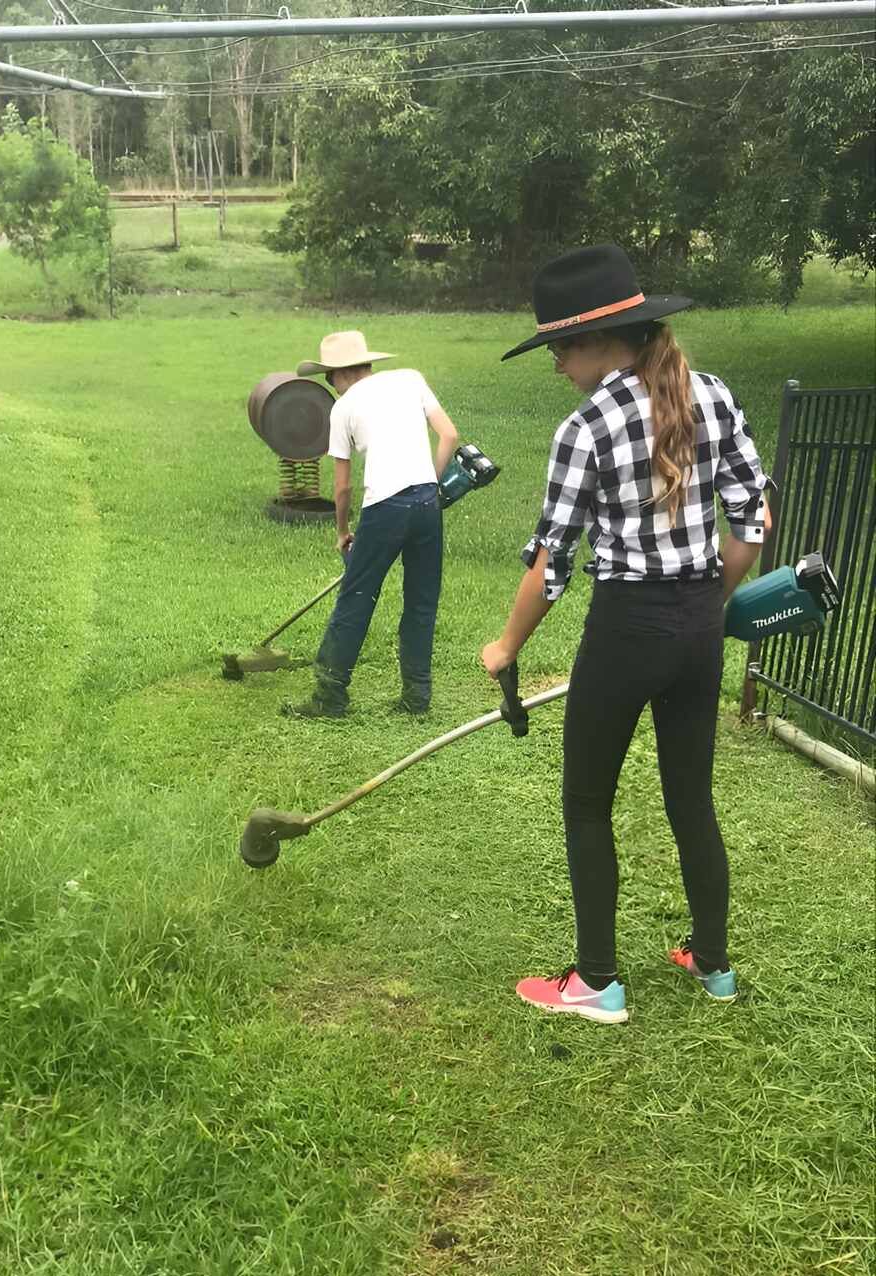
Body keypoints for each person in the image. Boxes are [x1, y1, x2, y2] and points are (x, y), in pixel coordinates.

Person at [480, 244, 772, 1025]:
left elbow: (551, 565)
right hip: (698, 627)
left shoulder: (587, 426)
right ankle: (712, 964)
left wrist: (505, 648)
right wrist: (711, 597)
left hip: (625, 628)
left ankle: (599, 983)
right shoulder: (712, 393)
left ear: (600, 342)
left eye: (560, 349)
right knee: (690, 800)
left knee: (586, 802)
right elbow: (755, 521)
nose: (557, 367)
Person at [284, 330, 459, 719]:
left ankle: (330, 697)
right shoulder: (410, 378)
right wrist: (429, 485)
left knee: (356, 598)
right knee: (421, 603)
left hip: (384, 507)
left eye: (329, 379)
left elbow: (342, 487)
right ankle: (417, 698)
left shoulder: (343, 408)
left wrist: (343, 532)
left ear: (339, 375)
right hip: (427, 503)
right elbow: (449, 435)